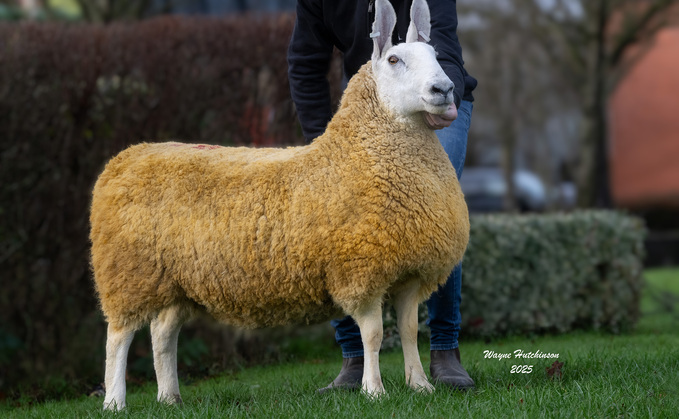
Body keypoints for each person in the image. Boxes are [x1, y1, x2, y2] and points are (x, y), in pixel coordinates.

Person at [287, 0, 477, 392]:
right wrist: (321, 141)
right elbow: (306, 62)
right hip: (369, 98)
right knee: (339, 222)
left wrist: (444, 102)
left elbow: (445, 47)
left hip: (436, 94)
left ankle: (444, 350)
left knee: (437, 213)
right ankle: (355, 357)